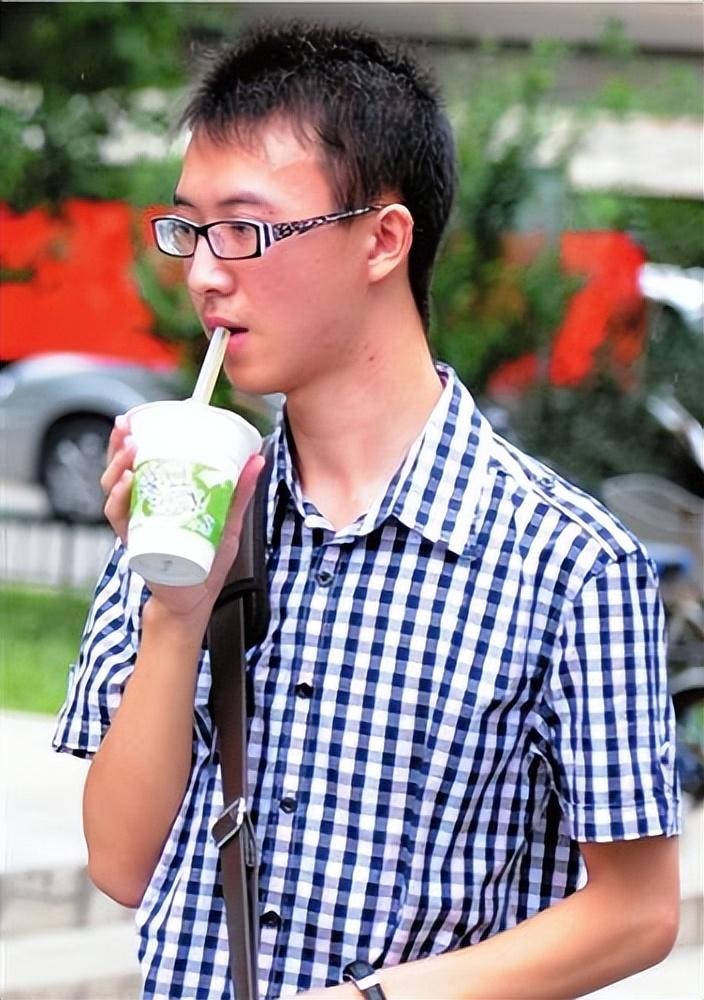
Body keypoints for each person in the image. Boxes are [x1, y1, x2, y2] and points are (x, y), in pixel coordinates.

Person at [54, 20, 681, 1000]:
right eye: (187, 229)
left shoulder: (566, 562)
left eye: (244, 229)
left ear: (383, 239)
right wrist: (175, 614)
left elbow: (637, 912)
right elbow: (121, 864)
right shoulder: (193, 505)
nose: (205, 272)